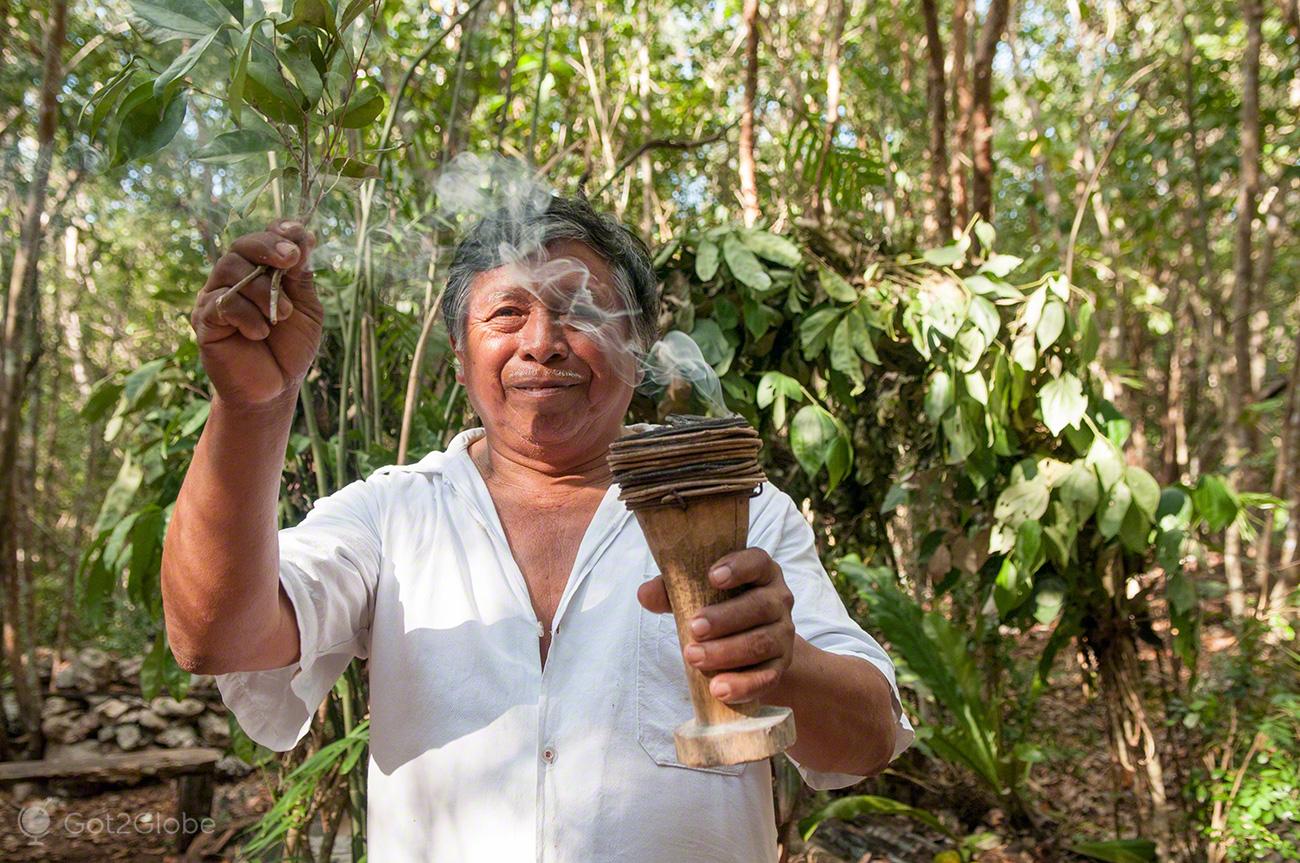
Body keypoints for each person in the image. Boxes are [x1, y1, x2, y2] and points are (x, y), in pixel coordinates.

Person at [160, 195, 914, 862]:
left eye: (582, 309)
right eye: (506, 313)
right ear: (460, 355)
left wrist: (782, 662)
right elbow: (213, 634)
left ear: (639, 346)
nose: (542, 340)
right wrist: (253, 408)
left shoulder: (746, 511)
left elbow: (869, 736)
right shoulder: (393, 513)